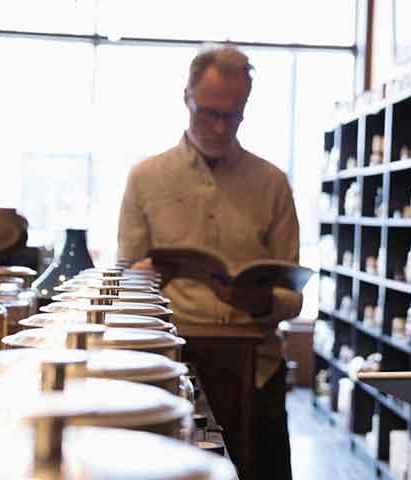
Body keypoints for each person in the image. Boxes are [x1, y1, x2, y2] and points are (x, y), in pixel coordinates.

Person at [117, 45, 301, 480]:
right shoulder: (146, 177)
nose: (219, 127)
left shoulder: (272, 183)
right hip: (170, 361)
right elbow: (124, 277)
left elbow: (293, 296)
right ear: (187, 98)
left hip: (255, 365)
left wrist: (260, 300)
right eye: (208, 113)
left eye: (232, 115)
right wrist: (139, 276)